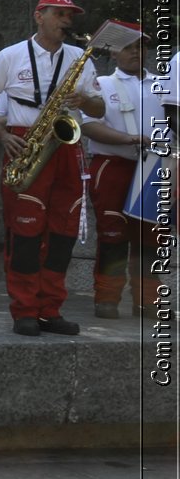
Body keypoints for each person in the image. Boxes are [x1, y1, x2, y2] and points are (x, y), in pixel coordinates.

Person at [0, 0, 106, 335]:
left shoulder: (80, 56)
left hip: (67, 144)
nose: (67, 20)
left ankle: (51, 309)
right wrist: (3, 137)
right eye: (59, 14)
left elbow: (99, 110)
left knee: (63, 233)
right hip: (24, 140)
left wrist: (86, 99)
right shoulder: (10, 55)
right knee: (26, 233)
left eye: (69, 15)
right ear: (39, 16)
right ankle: (25, 310)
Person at [79, 25, 173, 318]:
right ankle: (107, 298)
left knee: (152, 237)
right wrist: (129, 139)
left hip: (155, 166)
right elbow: (88, 125)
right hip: (113, 166)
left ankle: (148, 300)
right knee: (113, 234)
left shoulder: (164, 84)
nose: (136, 52)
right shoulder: (102, 84)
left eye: (141, 46)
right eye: (129, 47)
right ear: (114, 51)